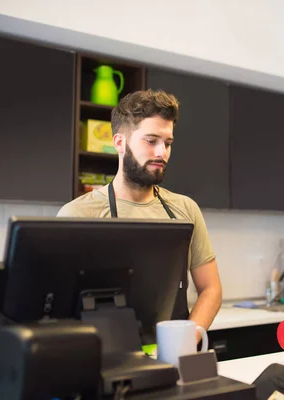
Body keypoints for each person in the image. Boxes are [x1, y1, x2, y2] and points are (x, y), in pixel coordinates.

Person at [58, 89, 222, 339]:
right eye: (151, 140)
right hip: (104, 361)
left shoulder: (186, 210)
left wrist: (186, 340)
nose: (161, 153)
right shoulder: (76, 214)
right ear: (120, 143)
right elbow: (58, 306)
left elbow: (211, 289)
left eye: (168, 144)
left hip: (174, 358)